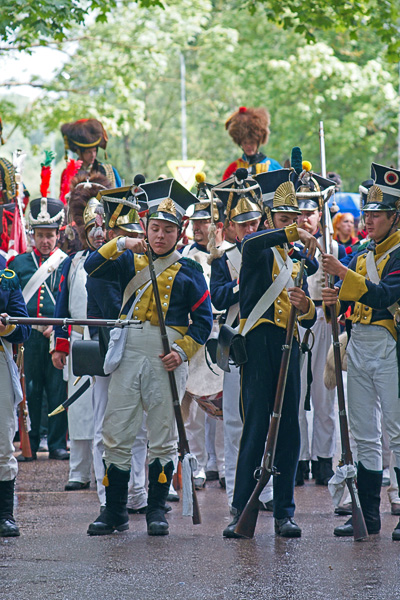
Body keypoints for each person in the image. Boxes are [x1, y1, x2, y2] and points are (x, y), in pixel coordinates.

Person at [84, 177, 213, 537]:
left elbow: (202, 323)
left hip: (165, 357)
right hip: (129, 352)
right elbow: (90, 268)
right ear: (145, 228)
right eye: (154, 228)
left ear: (179, 233)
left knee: (162, 436)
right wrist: (121, 242)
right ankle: (115, 512)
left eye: (167, 230)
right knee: (117, 432)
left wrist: (181, 351)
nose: (160, 236)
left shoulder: (190, 271)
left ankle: (157, 510)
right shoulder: (127, 260)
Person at [222, 167, 318, 539]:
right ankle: (241, 508)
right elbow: (253, 245)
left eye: (294, 218)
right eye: (283, 219)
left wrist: (307, 307)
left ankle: (284, 512)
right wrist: (293, 233)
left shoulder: (298, 260)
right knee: (257, 428)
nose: (290, 224)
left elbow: (308, 317)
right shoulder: (256, 248)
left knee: (289, 431)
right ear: (269, 219)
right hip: (258, 348)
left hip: (289, 346)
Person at [322, 162, 400, 540]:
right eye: (366, 213)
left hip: (390, 346)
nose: (367, 220)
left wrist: (342, 274)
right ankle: (368, 514)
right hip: (360, 343)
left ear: (393, 216)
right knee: (365, 434)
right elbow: (342, 299)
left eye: (375, 214)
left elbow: (386, 294)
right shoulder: (362, 252)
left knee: (397, 432)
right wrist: (321, 299)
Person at [210, 168, 274, 512]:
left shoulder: (270, 249)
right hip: (234, 340)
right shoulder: (223, 258)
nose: (250, 230)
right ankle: (238, 492)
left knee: (267, 417)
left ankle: (266, 491)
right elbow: (219, 297)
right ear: (231, 228)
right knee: (235, 421)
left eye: (254, 224)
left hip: (263, 337)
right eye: (243, 225)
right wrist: (242, 284)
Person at [86, 183, 149, 513]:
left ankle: (138, 494)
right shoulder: (103, 263)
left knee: (138, 429)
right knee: (103, 431)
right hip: (108, 352)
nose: (134, 238)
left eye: (136, 231)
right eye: (125, 232)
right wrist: (122, 245)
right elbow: (112, 306)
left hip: (139, 351)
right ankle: (106, 499)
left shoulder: (148, 262)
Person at [51, 173, 110, 490]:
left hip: (105, 342)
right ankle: (79, 469)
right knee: (79, 409)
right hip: (77, 342)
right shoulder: (72, 263)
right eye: (92, 229)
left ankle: (106, 471)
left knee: (105, 411)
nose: (97, 234)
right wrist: (60, 344)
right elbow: (62, 308)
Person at [9, 156, 69, 461]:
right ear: (32, 234)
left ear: (58, 235)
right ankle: (29, 442)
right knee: (30, 392)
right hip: (29, 337)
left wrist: (57, 327)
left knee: (58, 391)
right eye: (40, 235)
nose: (45, 241)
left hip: (55, 335)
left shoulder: (67, 263)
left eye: (50, 235)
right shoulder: (18, 264)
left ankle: (58, 443)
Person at [295, 168, 345, 486]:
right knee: (297, 393)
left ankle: (324, 458)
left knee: (324, 394)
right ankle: (300, 460)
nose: (304, 218)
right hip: (297, 321)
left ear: (319, 214)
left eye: (310, 211)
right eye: (298, 211)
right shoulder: (286, 246)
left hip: (324, 318)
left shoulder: (334, 248)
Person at [180, 172, 225, 489]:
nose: (198, 227)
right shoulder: (182, 257)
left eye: (204, 220)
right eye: (194, 222)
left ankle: (221, 465)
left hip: (222, 332)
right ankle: (196, 462)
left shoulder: (226, 253)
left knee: (221, 404)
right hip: (195, 332)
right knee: (194, 402)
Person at [0, 268, 31, 536]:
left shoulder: (6, 278)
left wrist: (6, 326)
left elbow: (25, 329)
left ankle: (4, 515)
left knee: (2, 442)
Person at [60, 118, 122, 203]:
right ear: (78, 151)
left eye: (94, 151)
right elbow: (64, 202)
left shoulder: (108, 171)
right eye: (88, 152)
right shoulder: (69, 173)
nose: (93, 155)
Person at [223, 106, 281, 180]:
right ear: (240, 144)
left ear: (258, 142)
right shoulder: (232, 168)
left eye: (252, 142)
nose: (248, 146)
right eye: (245, 143)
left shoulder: (273, 165)